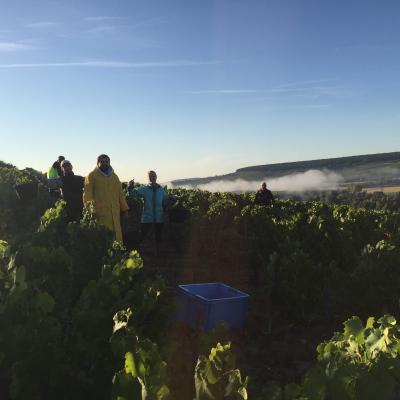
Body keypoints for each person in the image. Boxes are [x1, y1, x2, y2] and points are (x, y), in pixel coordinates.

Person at [83, 154, 129, 242]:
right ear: (97, 163)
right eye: (102, 162)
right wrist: (90, 212)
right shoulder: (91, 176)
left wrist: (125, 209)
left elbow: (120, 194)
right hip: (100, 214)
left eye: (106, 162)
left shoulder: (115, 177)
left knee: (117, 237)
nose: (105, 163)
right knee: (104, 238)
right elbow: (87, 196)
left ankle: (118, 254)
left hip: (115, 212)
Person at [128, 170, 168, 254]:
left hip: (159, 217)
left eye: (153, 176)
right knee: (142, 235)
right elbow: (133, 194)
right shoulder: (145, 189)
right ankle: (135, 252)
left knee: (158, 236)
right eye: (150, 176)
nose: (152, 177)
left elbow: (165, 201)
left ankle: (158, 252)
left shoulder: (161, 190)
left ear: (156, 177)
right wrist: (130, 187)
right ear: (149, 178)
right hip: (147, 217)